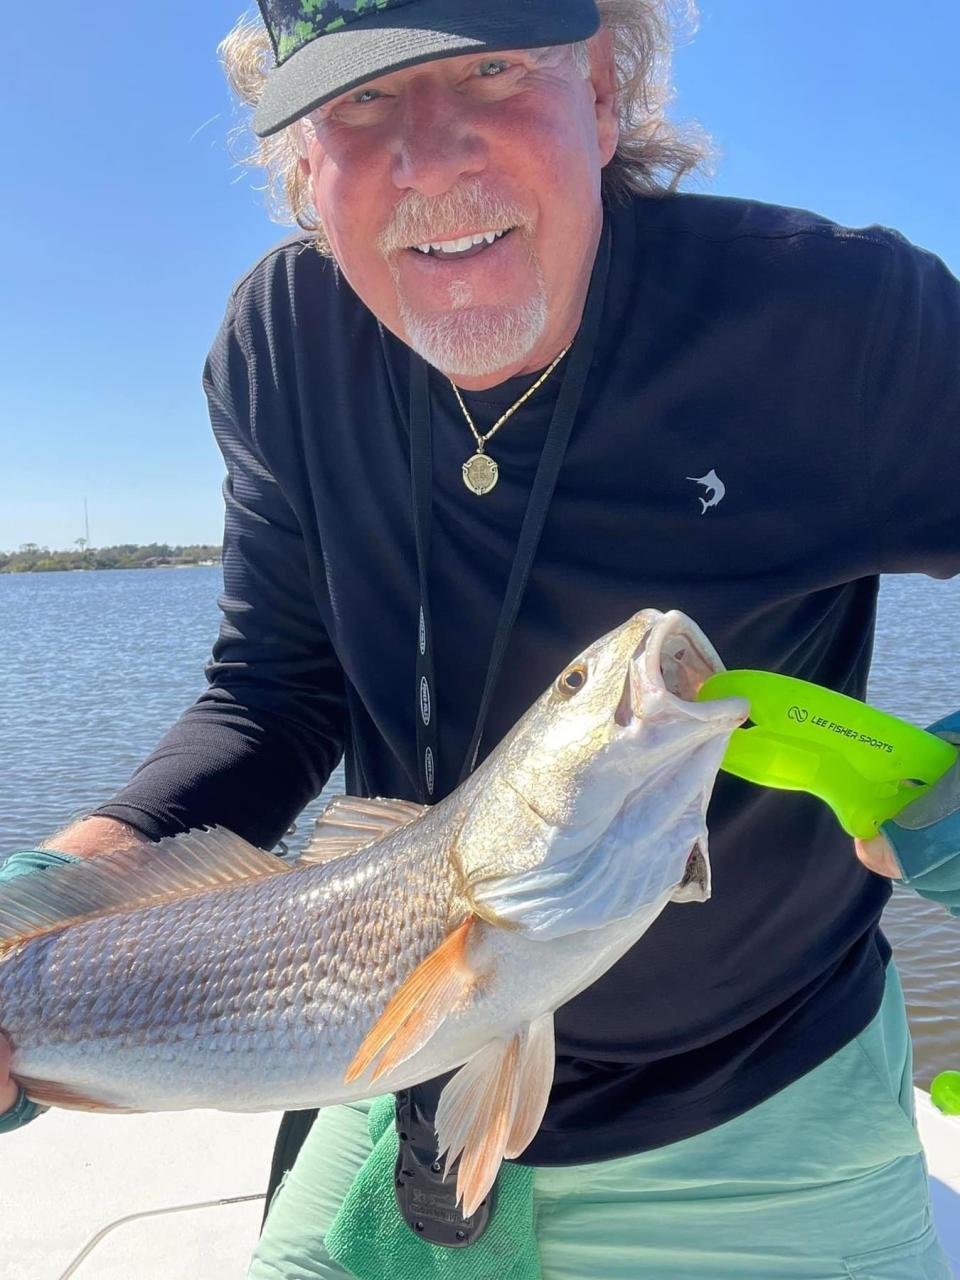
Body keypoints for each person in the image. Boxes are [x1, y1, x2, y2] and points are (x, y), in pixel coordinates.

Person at [2, 0, 959, 1275]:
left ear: (607, 93)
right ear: (299, 162)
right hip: (387, 1055)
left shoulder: (836, 318)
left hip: (760, 1090)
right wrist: (56, 908)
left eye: (494, 70)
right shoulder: (283, 344)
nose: (432, 155)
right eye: (359, 101)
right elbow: (273, 694)